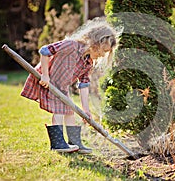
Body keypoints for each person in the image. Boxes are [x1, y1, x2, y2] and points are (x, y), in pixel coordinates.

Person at [21, 18, 117, 153]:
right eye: (102, 50)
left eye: (105, 53)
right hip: (48, 82)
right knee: (60, 110)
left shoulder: (87, 63)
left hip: (61, 88)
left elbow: (83, 84)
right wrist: (45, 76)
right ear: (94, 42)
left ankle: (75, 143)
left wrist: (85, 109)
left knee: (70, 112)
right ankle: (57, 143)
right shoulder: (70, 45)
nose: (101, 55)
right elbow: (44, 51)